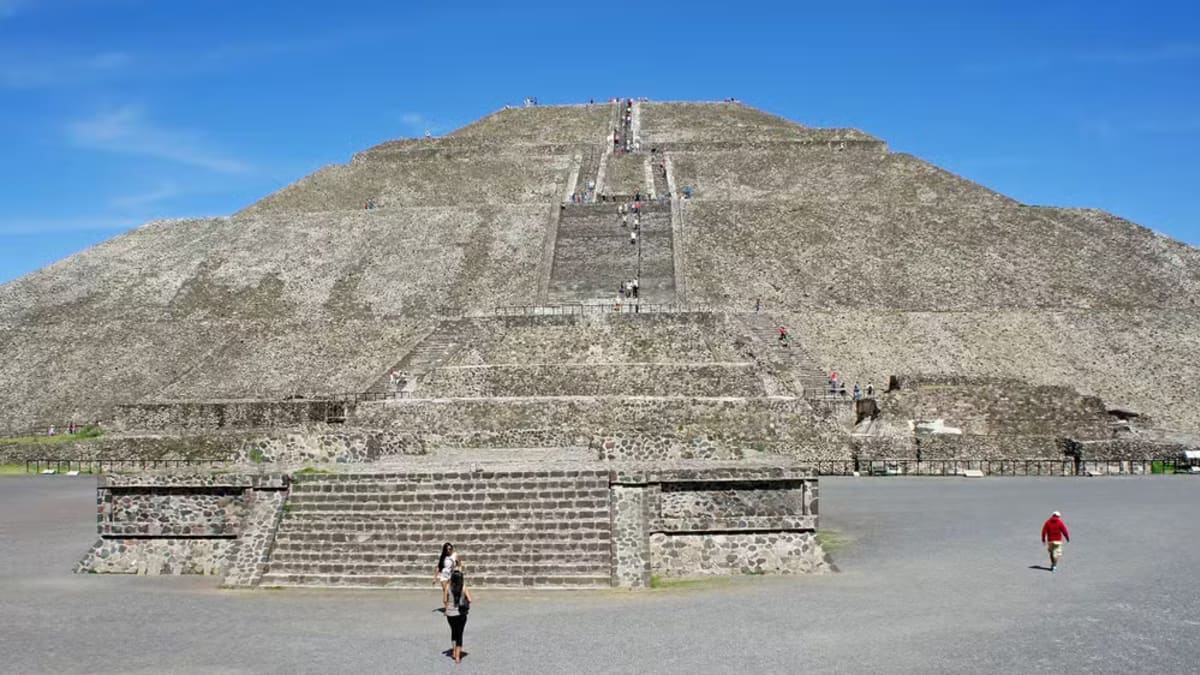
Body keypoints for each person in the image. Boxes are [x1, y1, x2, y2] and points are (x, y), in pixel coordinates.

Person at [444, 562, 473, 663]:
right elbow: (470, 599)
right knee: (460, 634)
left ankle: (453, 652)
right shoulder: (463, 587)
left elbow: (445, 600)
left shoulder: (448, 587)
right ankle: (457, 657)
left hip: (450, 614)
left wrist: (447, 608)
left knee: (453, 632)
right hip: (460, 614)